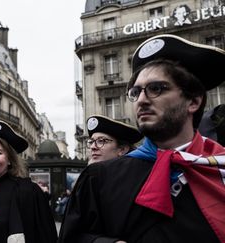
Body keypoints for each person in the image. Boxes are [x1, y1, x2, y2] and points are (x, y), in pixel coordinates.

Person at [59, 34, 225, 242]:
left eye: (156, 89)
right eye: (136, 92)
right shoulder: (99, 178)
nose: (142, 100)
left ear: (193, 101)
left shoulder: (219, 168)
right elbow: (72, 237)